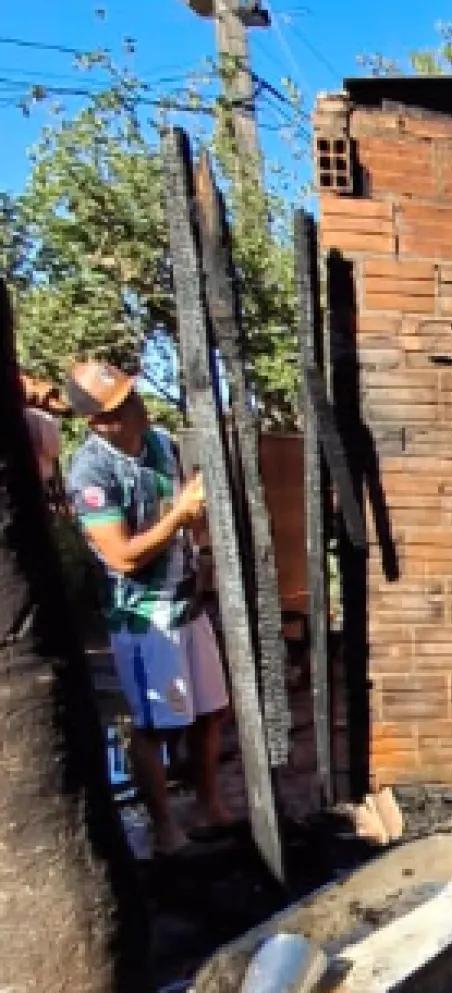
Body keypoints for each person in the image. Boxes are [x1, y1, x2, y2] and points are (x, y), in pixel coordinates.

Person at [64, 360, 233, 856]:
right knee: (154, 725)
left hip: (184, 599)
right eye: (119, 408)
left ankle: (210, 806)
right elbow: (121, 556)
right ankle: (164, 826)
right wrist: (180, 513)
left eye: (132, 398)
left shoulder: (161, 444)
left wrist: (195, 531)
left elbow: (183, 515)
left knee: (209, 712)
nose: (135, 409)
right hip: (143, 616)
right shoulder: (91, 471)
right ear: (99, 423)